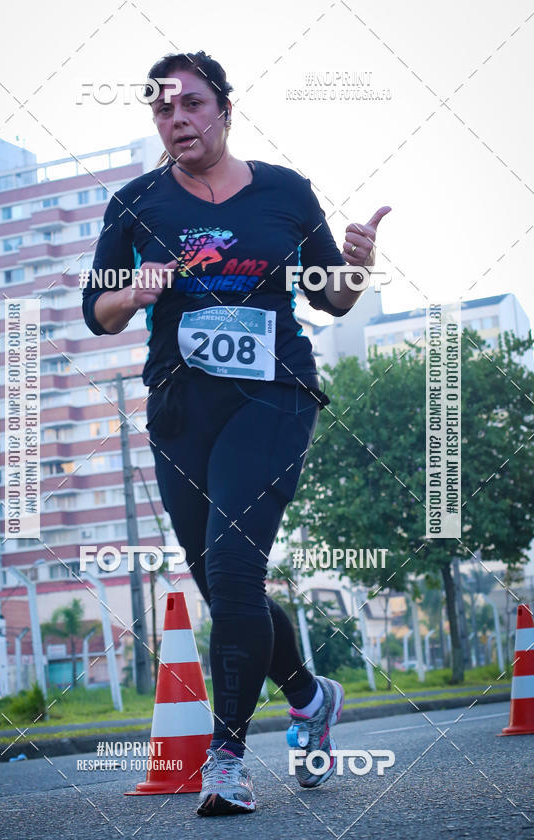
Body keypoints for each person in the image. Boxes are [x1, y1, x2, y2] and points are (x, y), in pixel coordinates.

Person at [82, 50, 391, 817]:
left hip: (272, 396)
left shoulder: (284, 191)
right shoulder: (135, 202)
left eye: (191, 103)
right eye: (163, 109)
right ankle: (310, 696)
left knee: (231, 565)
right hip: (182, 407)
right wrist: (132, 291)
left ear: (224, 107)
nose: (177, 118)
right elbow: (97, 313)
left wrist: (357, 266)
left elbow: (333, 298)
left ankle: (226, 758)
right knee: (223, 583)